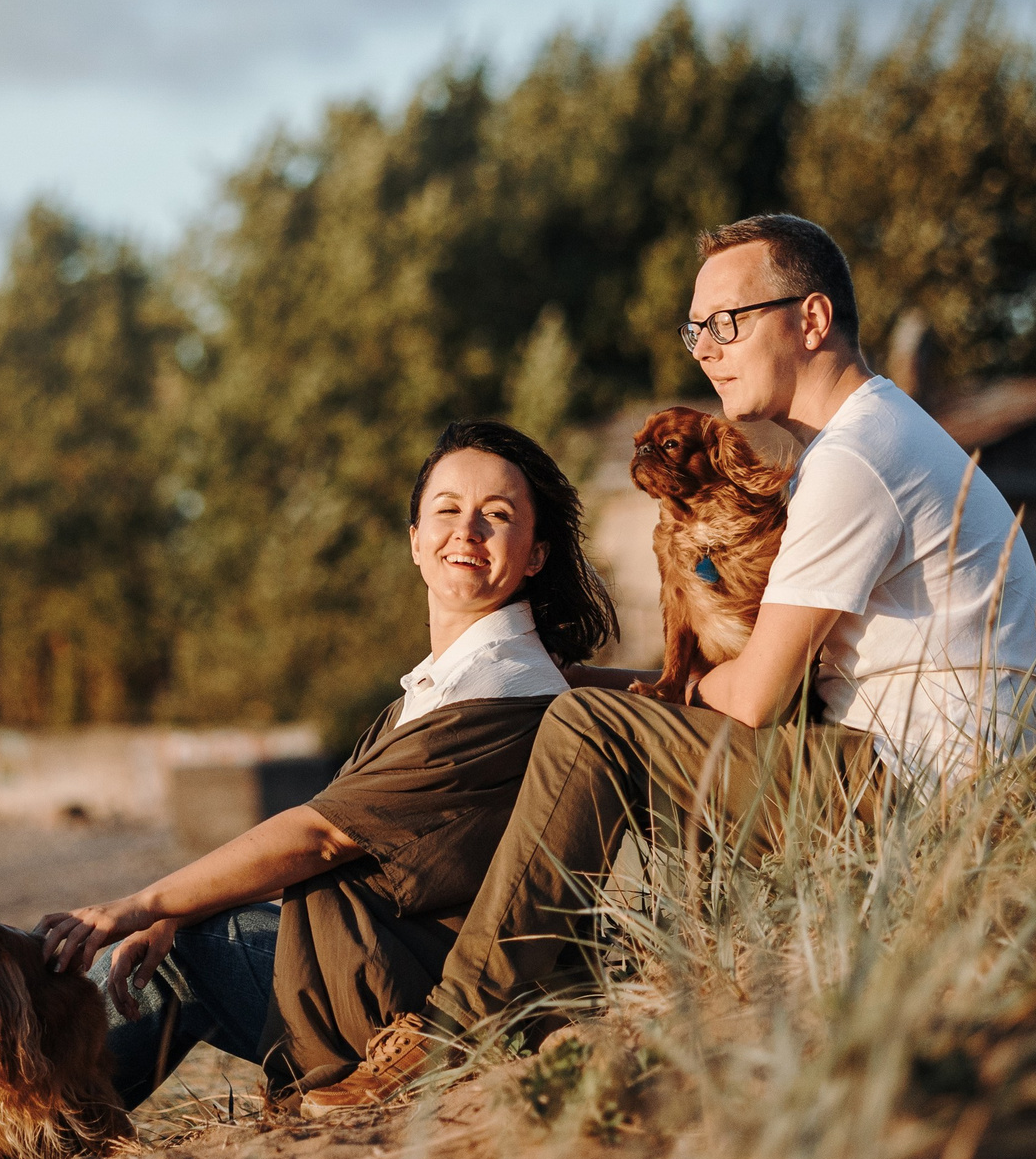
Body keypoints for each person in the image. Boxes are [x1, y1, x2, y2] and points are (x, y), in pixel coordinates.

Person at [303, 212, 1036, 1113]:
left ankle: (454, 1027)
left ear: (812, 320)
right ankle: (542, 998)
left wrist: (628, 696)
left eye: (727, 323)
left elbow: (755, 698)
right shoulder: (874, 437)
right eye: (694, 329)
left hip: (925, 802)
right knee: (586, 706)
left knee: (587, 722)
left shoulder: (857, 460)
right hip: (916, 779)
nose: (706, 349)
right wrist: (625, 688)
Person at [35, 420, 618, 1111]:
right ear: (414, 541)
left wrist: (135, 907)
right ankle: (20, 1129)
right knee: (179, 936)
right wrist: (168, 914)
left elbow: (319, 835)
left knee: (179, 956)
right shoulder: (456, 682)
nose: (467, 531)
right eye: (447, 510)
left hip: (406, 1015)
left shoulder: (500, 686)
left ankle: (0, 1137)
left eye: (497, 515)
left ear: (535, 555)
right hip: (390, 967)